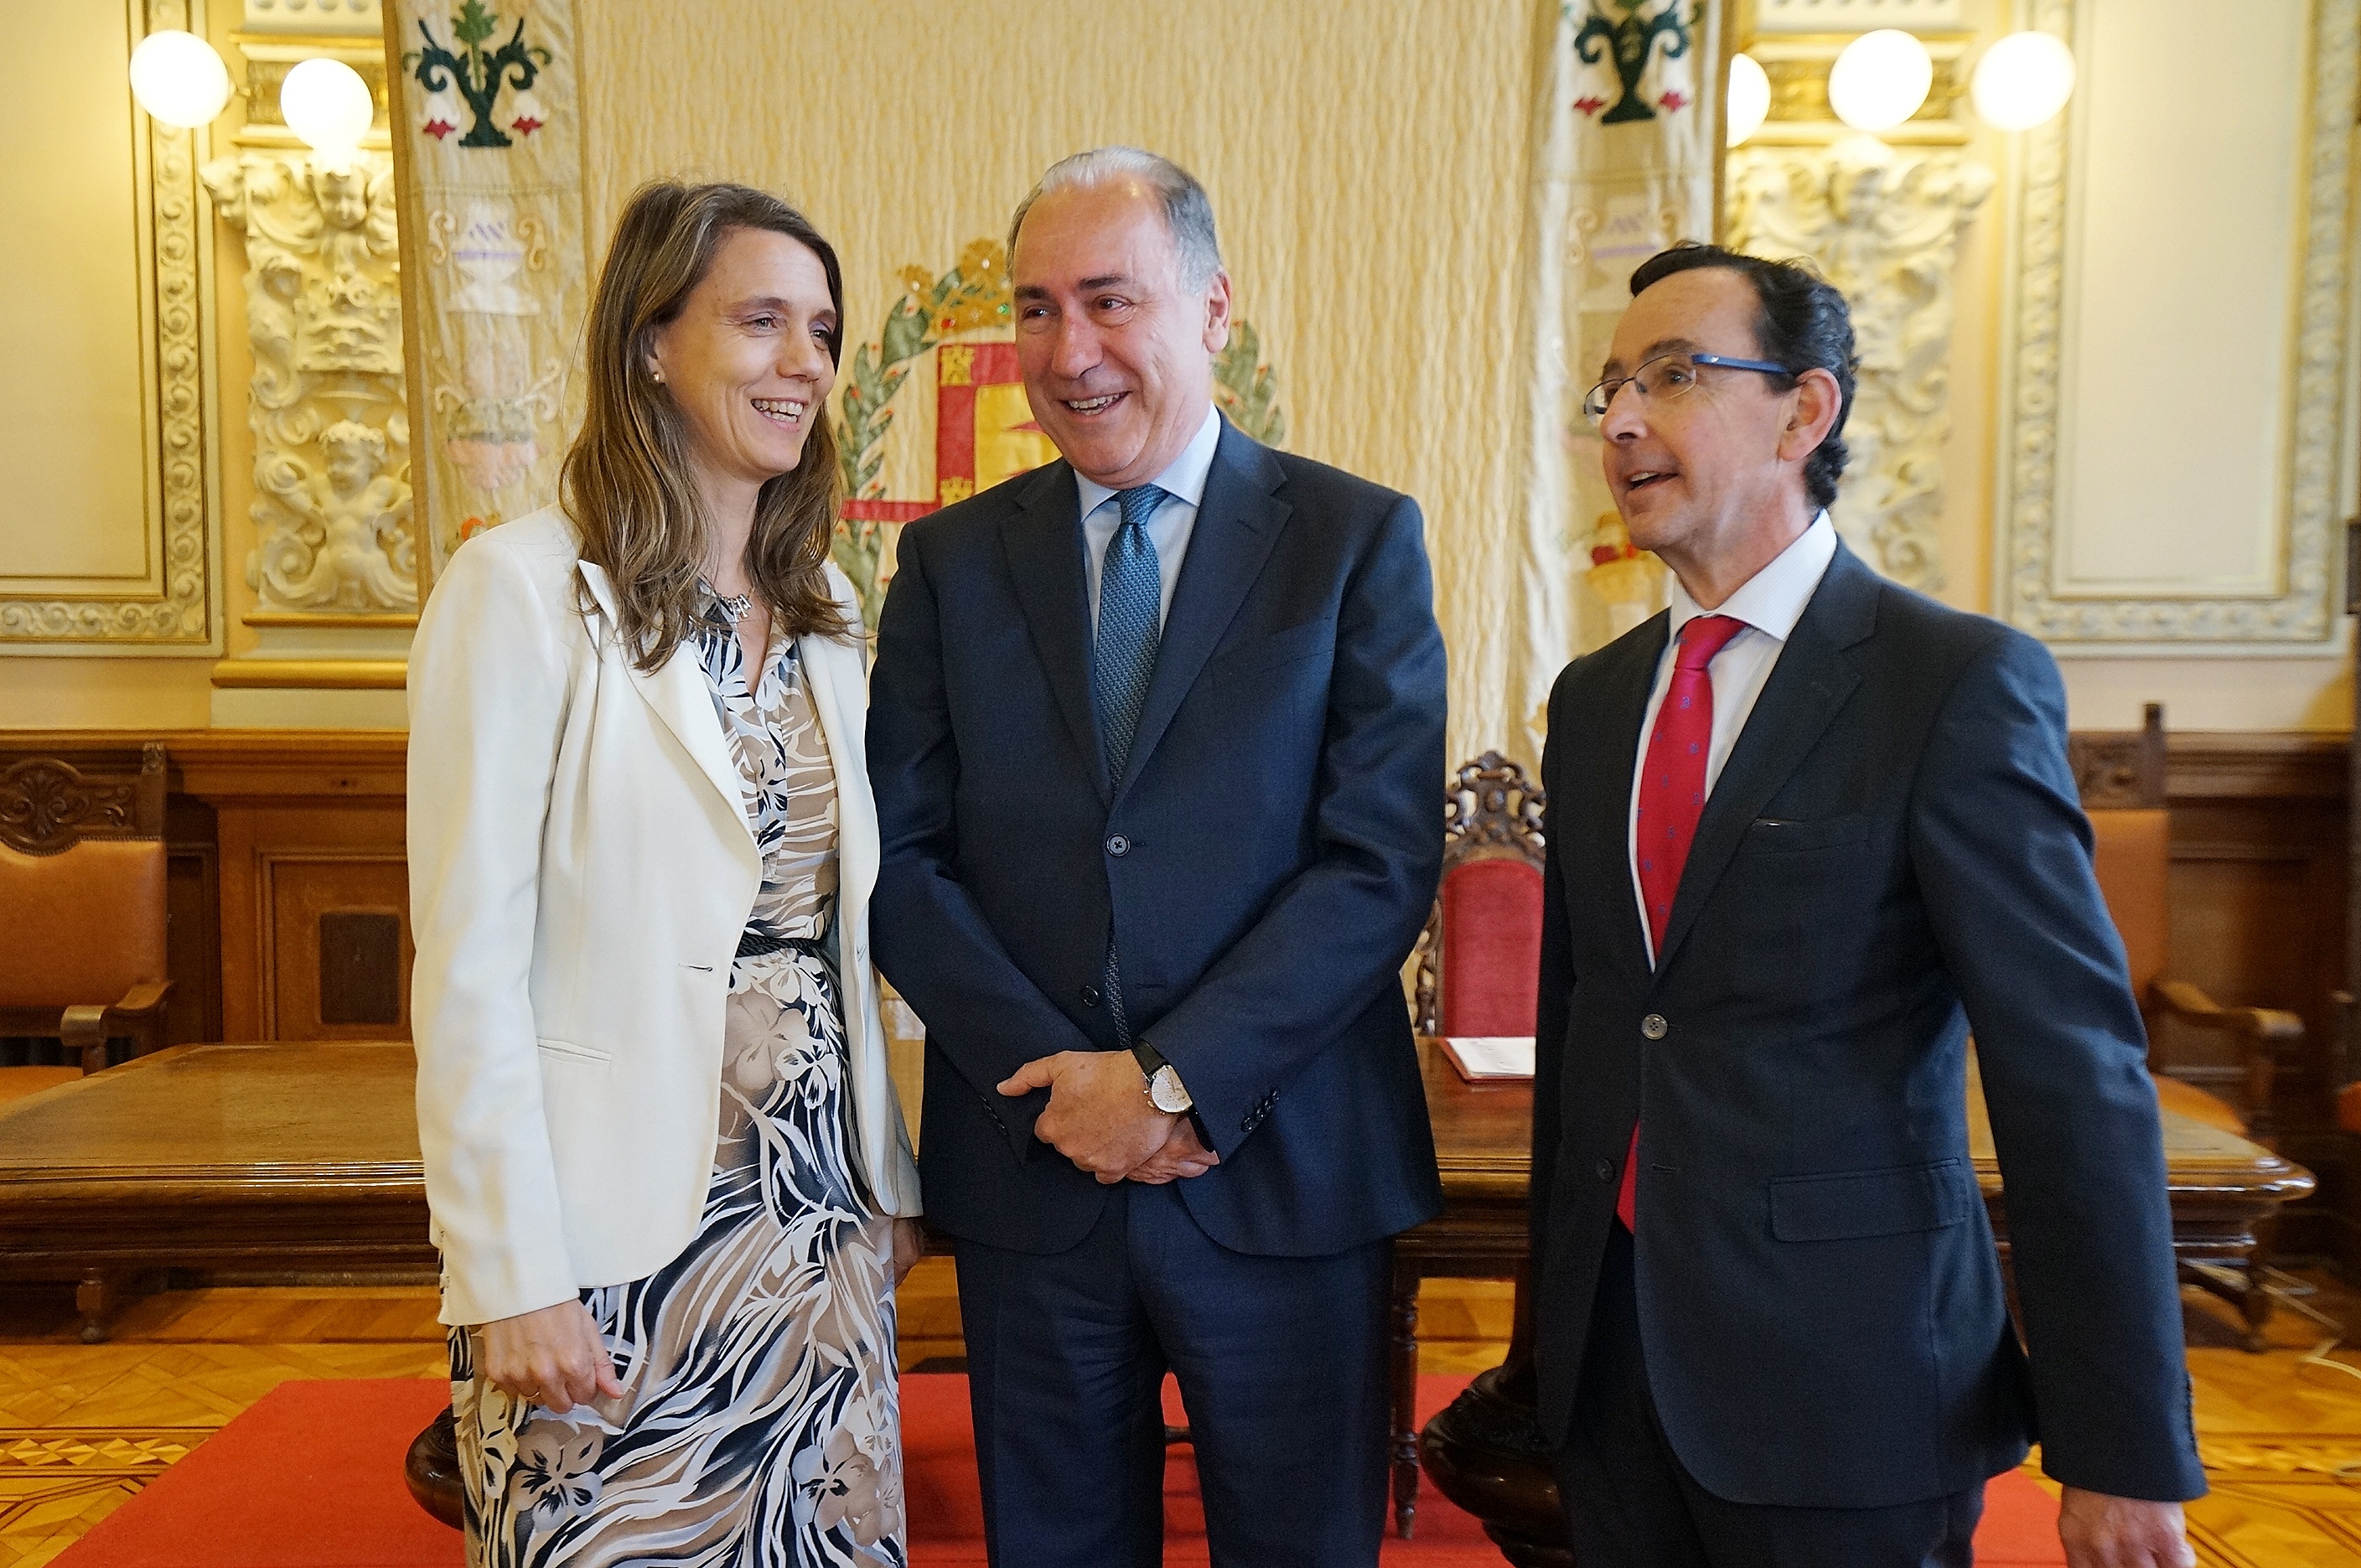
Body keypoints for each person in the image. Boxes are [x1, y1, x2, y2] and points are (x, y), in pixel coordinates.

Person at [1528, 243, 2204, 1568]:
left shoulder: (1949, 684)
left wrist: (2119, 1444)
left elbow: (2070, 1075)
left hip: (1850, 1386)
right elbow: (1589, 1025)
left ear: (1805, 409)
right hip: (1613, 1377)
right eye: (1610, 388)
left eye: (1671, 376)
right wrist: (1546, 1346)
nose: (1620, 422)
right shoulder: (1595, 702)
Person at [866, 146, 1447, 1568]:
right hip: (1035, 1175)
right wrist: (1064, 1092)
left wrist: (1172, 1082)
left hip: (1283, 1171)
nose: (1070, 352)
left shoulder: (1353, 541)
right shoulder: (949, 563)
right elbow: (902, 861)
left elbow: (1374, 863)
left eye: (1110, 300)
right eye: (1037, 308)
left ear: (1212, 310)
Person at [407, 179, 923, 1565]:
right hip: (607, 1242)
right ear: (649, 342)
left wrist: (885, 1184)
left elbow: (840, 939)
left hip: (813, 1224)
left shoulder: (826, 607)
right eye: (760, 322)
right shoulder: (521, 590)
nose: (803, 362)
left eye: (821, 331)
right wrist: (507, 1269)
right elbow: (466, 966)